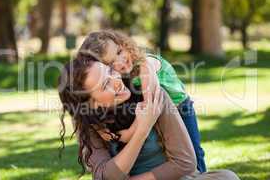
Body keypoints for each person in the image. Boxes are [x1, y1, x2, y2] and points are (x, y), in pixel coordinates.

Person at [58, 56, 240, 180]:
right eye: (105, 84)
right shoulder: (90, 126)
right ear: (91, 105)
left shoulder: (151, 95)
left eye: (110, 72)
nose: (116, 81)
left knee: (227, 178)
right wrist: (142, 130)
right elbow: (106, 176)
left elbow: (185, 162)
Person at [77, 30, 206, 172]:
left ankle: (200, 174)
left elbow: (150, 104)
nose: (121, 61)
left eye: (119, 52)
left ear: (125, 45)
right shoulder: (120, 78)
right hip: (164, 114)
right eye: (112, 62)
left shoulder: (145, 66)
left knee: (194, 150)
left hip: (180, 107)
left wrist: (129, 134)